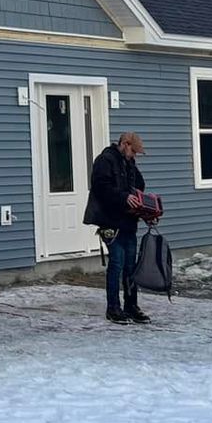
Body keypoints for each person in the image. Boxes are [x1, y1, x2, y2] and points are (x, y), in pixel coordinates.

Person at [85, 131, 151, 324]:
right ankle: (113, 307)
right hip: (109, 221)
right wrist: (123, 197)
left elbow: (140, 185)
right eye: (133, 151)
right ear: (124, 144)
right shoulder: (105, 160)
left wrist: (143, 207)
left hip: (128, 221)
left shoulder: (129, 163)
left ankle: (131, 306)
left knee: (131, 266)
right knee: (117, 264)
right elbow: (101, 188)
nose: (135, 155)